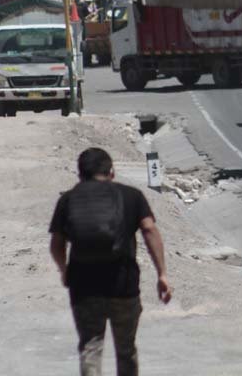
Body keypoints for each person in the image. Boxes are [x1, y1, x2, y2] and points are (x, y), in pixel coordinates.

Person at [50, 148, 172, 376]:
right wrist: (162, 274)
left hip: (84, 287)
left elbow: (57, 243)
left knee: (91, 347)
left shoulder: (68, 200)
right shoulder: (132, 196)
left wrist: (64, 270)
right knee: (125, 350)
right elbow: (149, 229)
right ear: (112, 172)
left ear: (80, 174)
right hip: (124, 285)